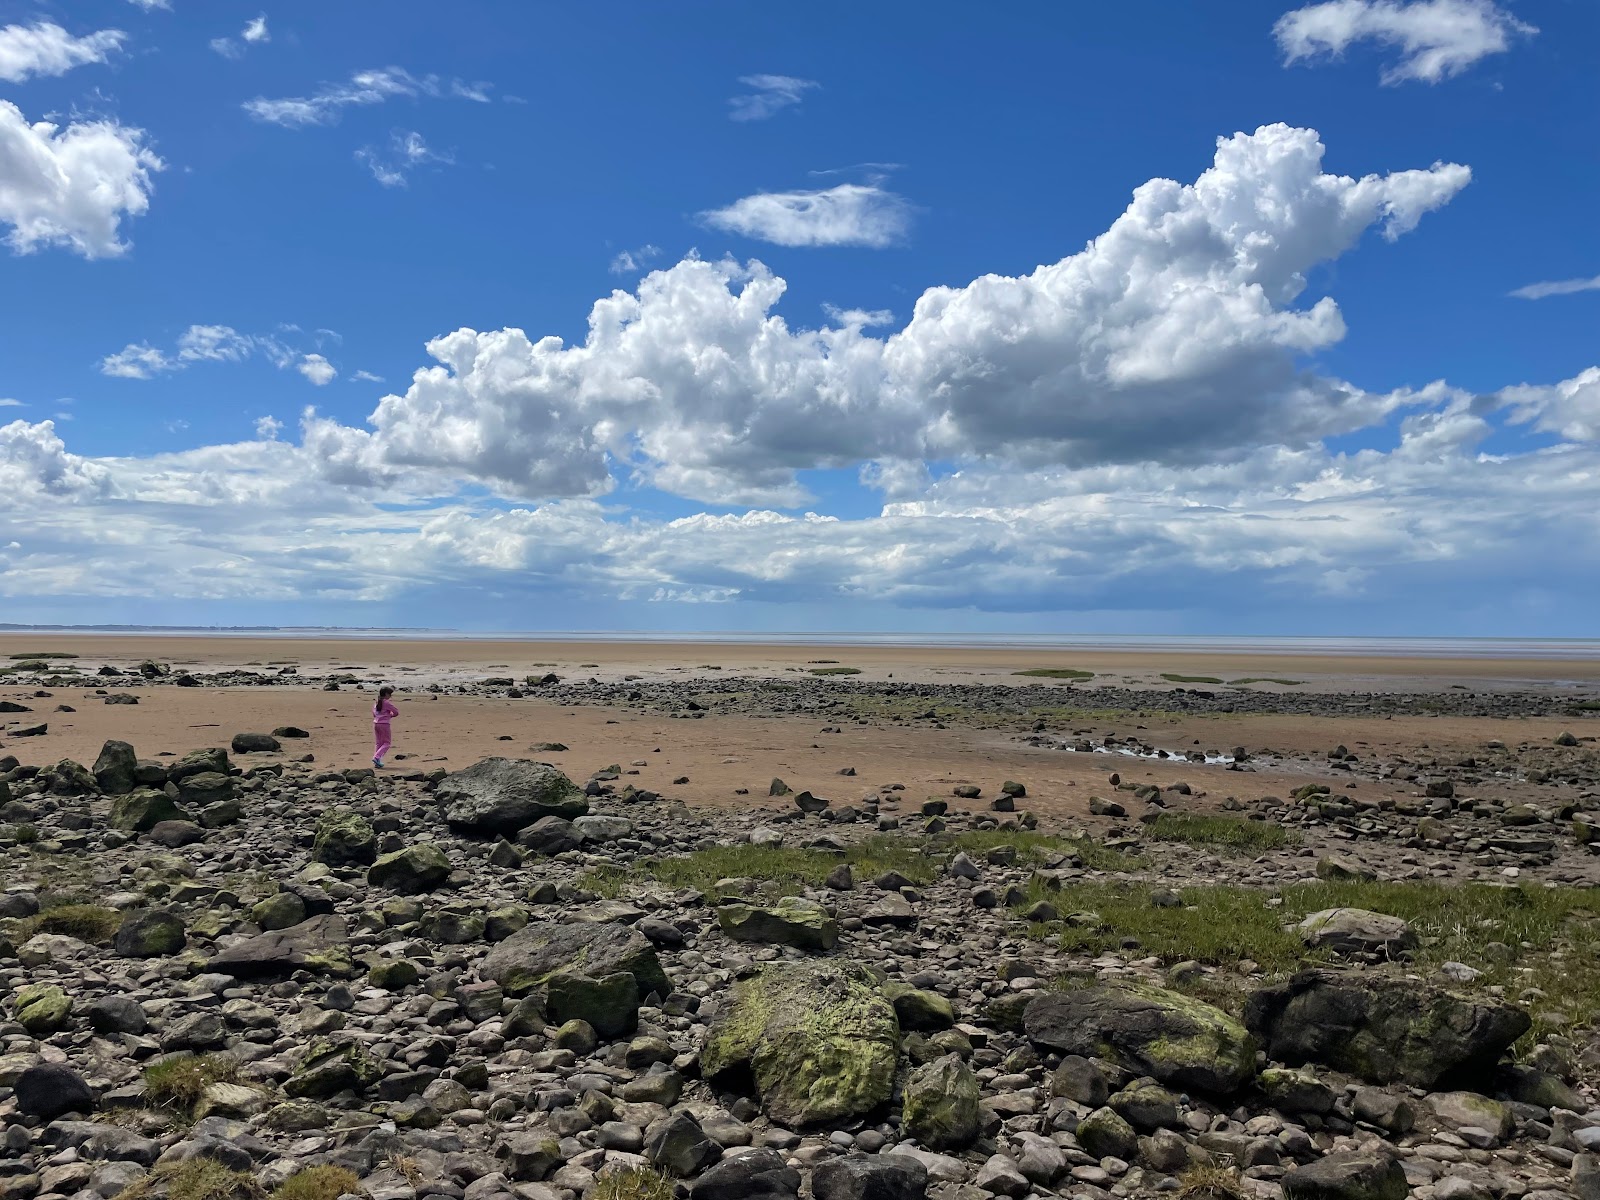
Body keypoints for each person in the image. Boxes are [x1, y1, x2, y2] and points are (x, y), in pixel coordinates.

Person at [372, 685, 399, 768]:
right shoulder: (386, 703)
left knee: (379, 743)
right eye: (390, 694)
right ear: (386, 694)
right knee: (387, 743)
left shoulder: (376, 702)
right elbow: (396, 711)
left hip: (376, 723)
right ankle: (376, 757)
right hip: (384, 724)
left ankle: (377, 760)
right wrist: (390, 715)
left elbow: (374, 713)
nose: (390, 696)